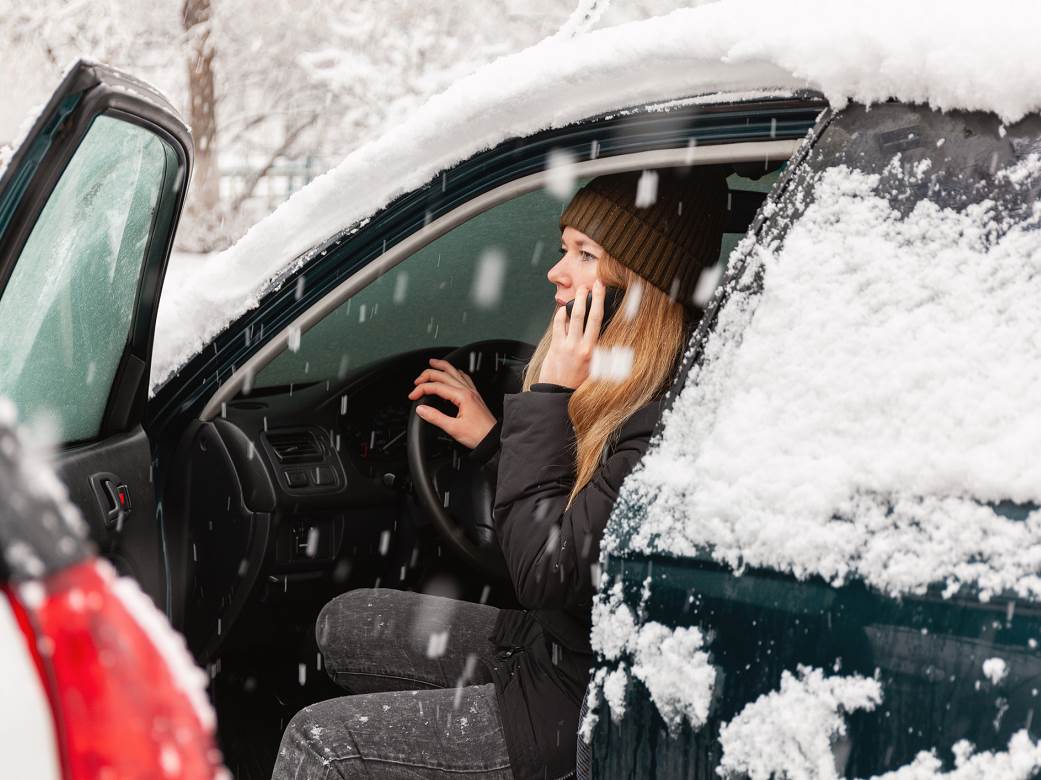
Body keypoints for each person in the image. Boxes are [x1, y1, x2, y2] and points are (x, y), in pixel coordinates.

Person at [271, 168, 727, 779]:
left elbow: (545, 571)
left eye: (584, 255)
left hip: (581, 704)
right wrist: (492, 442)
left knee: (320, 743)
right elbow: (578, 511)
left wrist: (548, 395)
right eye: (565, 248)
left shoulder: (660, 421)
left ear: (637, 288)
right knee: (342, 622)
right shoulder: (629, 392)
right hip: (556, 649)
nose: (556, 272)